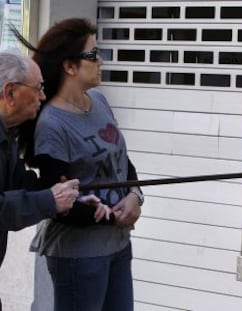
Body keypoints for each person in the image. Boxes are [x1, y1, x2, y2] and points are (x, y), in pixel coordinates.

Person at [14, 18, 143, 311]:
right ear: (69, 66)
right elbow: (61, 202)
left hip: (119, 246)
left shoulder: (98, 100)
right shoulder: (51, 124)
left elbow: (121, 161)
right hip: (79, 256)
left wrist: (135, 195)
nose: (101, 61)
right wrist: (115, 215)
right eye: (93, 55)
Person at [0, 51, 82, 310]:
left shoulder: (6, 137)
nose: (43, 97)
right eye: (38, 89)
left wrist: (67, 192)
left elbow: (19, 184)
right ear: (10, 93)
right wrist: (49, 200)